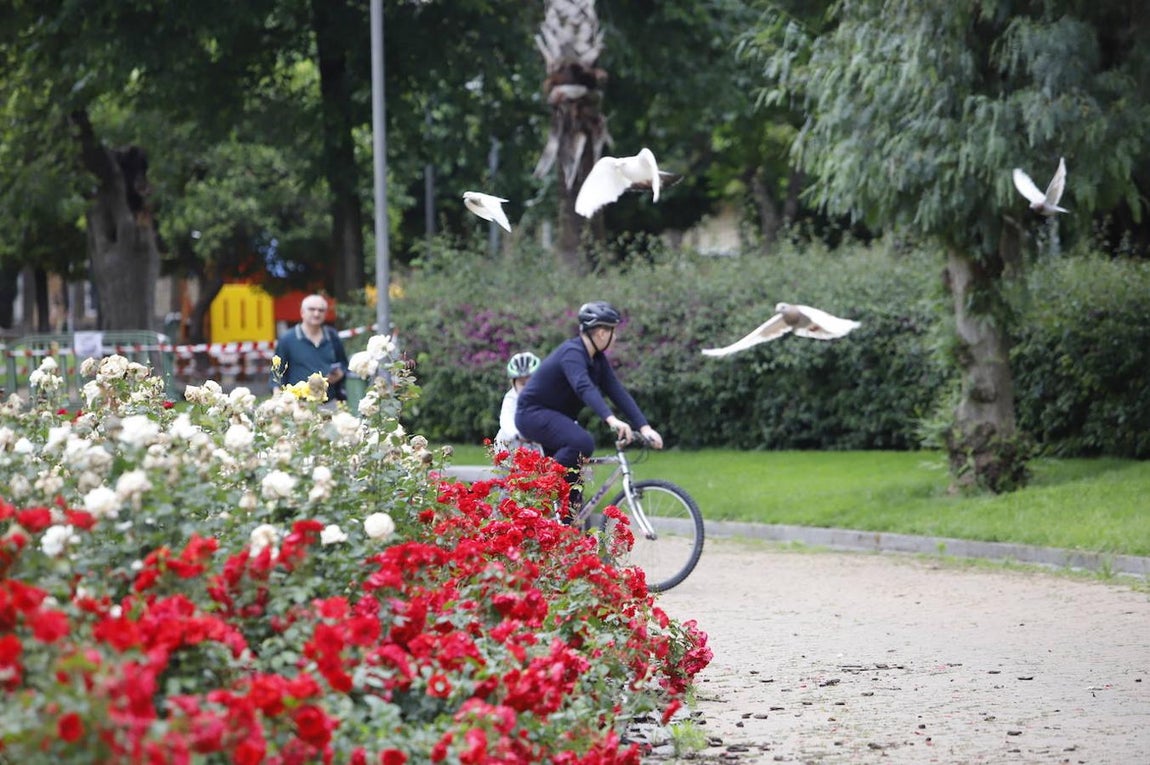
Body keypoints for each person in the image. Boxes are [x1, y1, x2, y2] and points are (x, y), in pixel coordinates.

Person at [515, 301, 663, 509]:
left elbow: (617, 391)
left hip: (554, 418)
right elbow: (583, 386)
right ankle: (539, 494)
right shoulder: (572, 353)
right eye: (613, 331)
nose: (616, 337)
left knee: (573, 489)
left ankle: (567, 528)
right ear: (602, 333)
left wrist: (645, 428)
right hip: (532, 414)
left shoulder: (598, 360)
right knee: (582, 442)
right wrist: (612, 420)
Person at [271, 294, 350, 401]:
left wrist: (340, 373)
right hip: (298, 405)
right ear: (302, 312)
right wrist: (278, 400)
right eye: (312, 309)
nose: (316, 313)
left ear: (326, 314)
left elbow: (344, 364)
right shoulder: (287, 339)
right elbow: (276, 373)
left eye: (321, 310)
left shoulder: (332, 336)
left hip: (329, 403)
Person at [494, 351, 542, 453]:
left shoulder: (547, 394)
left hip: (542, 442)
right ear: (513, 383)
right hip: (516, 445)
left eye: (531, 383)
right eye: (523, 384)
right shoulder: (511, 398)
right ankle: (504, 463)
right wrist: (517, 434)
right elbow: (506, 419)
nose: (527, 389)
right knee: (503, 435)